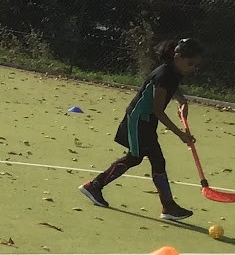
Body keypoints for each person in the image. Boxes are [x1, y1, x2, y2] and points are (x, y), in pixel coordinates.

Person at [79, 38, 204, 220]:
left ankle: (168, 206)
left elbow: (173, 88)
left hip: (147, 121)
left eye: (195, 65)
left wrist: (182, 100)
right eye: (190, 63)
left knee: (149, 160)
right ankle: (94, 186)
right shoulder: (164, 74)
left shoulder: (173, 72)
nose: (191, 68)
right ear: (177, 57)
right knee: (139, 158)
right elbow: (158, 110)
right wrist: (181, 135)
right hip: (138, 120)